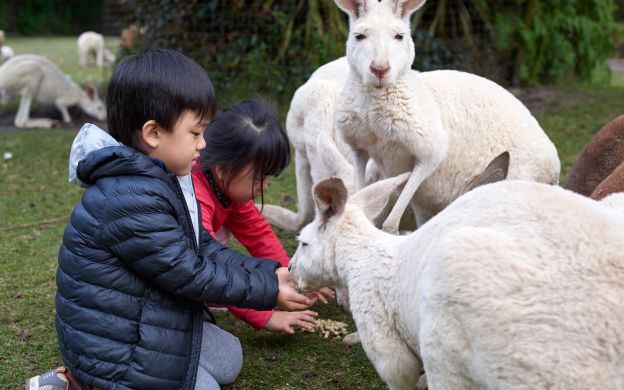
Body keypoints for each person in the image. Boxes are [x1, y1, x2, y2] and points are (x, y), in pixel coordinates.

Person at [25, 48, 314, 390]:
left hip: (144, 316)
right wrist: (266, 291)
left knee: (229, 358)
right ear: (153, 134)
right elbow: (189, 273)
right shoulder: (130, 198)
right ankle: (78, 381)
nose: (203, 144)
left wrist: (268, 272)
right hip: (113, 350)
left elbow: (200, 245)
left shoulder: (163, 178)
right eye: (195, 133)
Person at [193, 99, 334, 334]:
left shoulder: (224, 184)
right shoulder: (195, 198)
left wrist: (294, 276)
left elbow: (258, 233)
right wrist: (266, 316)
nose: (265, 186)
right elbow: (209, 267)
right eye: (260, 176)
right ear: (224, 170)